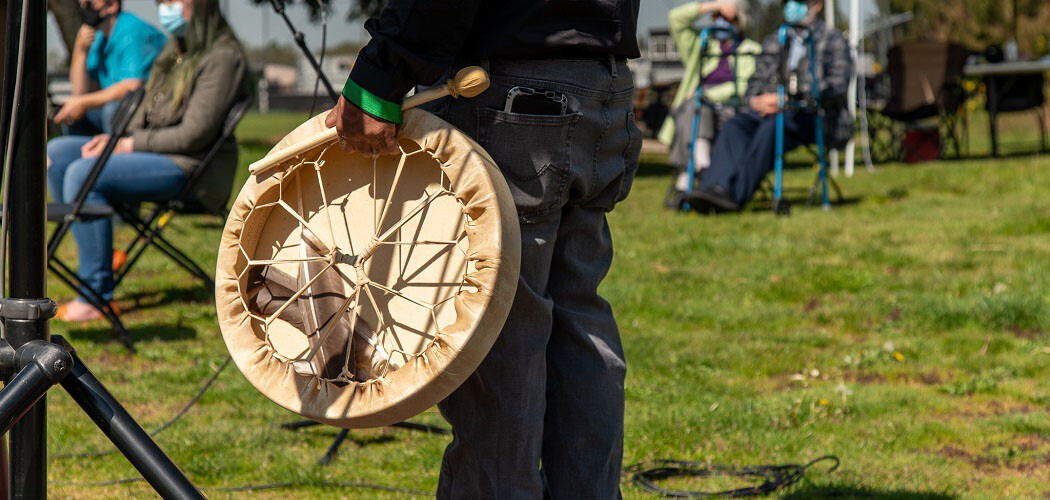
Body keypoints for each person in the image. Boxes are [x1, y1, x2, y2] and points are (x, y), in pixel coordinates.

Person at [325, 1, 641, 498]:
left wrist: (383, 70)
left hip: (509, 90)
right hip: (603, 86)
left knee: (497, 333)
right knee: (579, 317)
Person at [46, 0, 253, 322]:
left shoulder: (223, 58)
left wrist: (128, 146)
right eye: (163, 2)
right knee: (59, 155)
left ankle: (95, 294)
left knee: (82, 173)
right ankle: (99, 256)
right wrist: (112, 140)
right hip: (154, 154)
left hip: (191, 170)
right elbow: (143, 111)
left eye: (175, 1)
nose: (165, 8)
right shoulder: (175, 52)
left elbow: (192, 136)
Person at [694, 0, 853, 212]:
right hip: (769, 111)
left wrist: (791, 98)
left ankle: (734, 197)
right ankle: (713, 189)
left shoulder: (832, 40)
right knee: (735, 126)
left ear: (817, 5)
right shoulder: (774, 40)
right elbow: (754, 82)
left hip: (814, 115)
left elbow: (838, 84)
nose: (792, 6)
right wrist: (756, 100)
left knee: (771, 129)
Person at [657, 0, 761, 203]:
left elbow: (743, 87)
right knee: (694, 109)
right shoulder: (702, 44)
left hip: (730, 111)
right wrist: (711, 6)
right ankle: (702, 166)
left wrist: (706, 95)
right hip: (696, 110)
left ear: (740, 20)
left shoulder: (751, 50)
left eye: (727, 16)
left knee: (694, 106)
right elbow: (676, 19)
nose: (720, 21)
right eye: (716, 16)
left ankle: (686, 177)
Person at [53, 0, 167, 136]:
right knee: (76, 116)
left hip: (152, 110)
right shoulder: (100, 39)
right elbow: (81, 92)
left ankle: (116, 155)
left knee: (113, 110)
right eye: (81, 5)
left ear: (112, 5)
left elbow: (132, 87)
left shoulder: (132, 31)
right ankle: (84, 155)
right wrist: (80, 50)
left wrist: (83, 102)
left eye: (89, 4)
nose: (84, 9)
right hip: (118, 111)